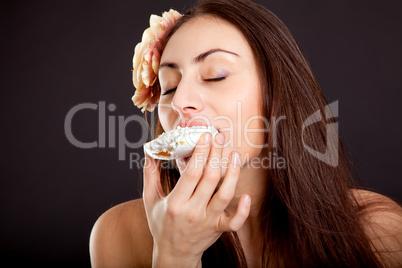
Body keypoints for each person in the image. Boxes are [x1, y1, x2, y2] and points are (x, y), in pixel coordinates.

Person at [89, 0, 402, 267]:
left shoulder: (379, 232)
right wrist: (174, 256)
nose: (180, 101)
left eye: (215, 76)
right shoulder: (120, 235)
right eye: (168, 86)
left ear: (276, 93)